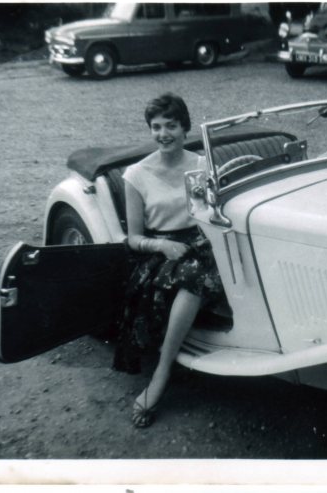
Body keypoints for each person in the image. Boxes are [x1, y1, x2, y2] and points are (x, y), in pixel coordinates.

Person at [112, 93, 225, 428]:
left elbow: (213, 211)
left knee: (219, 265)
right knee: (195, 277)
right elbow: (132, 237)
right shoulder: (136, 174)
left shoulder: (202, 165)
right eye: (156, 127)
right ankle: (162, 372)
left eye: (171, 125)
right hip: (161, 250)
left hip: (202, 241)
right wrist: (161, 245)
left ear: (184, 128)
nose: (163, 133)